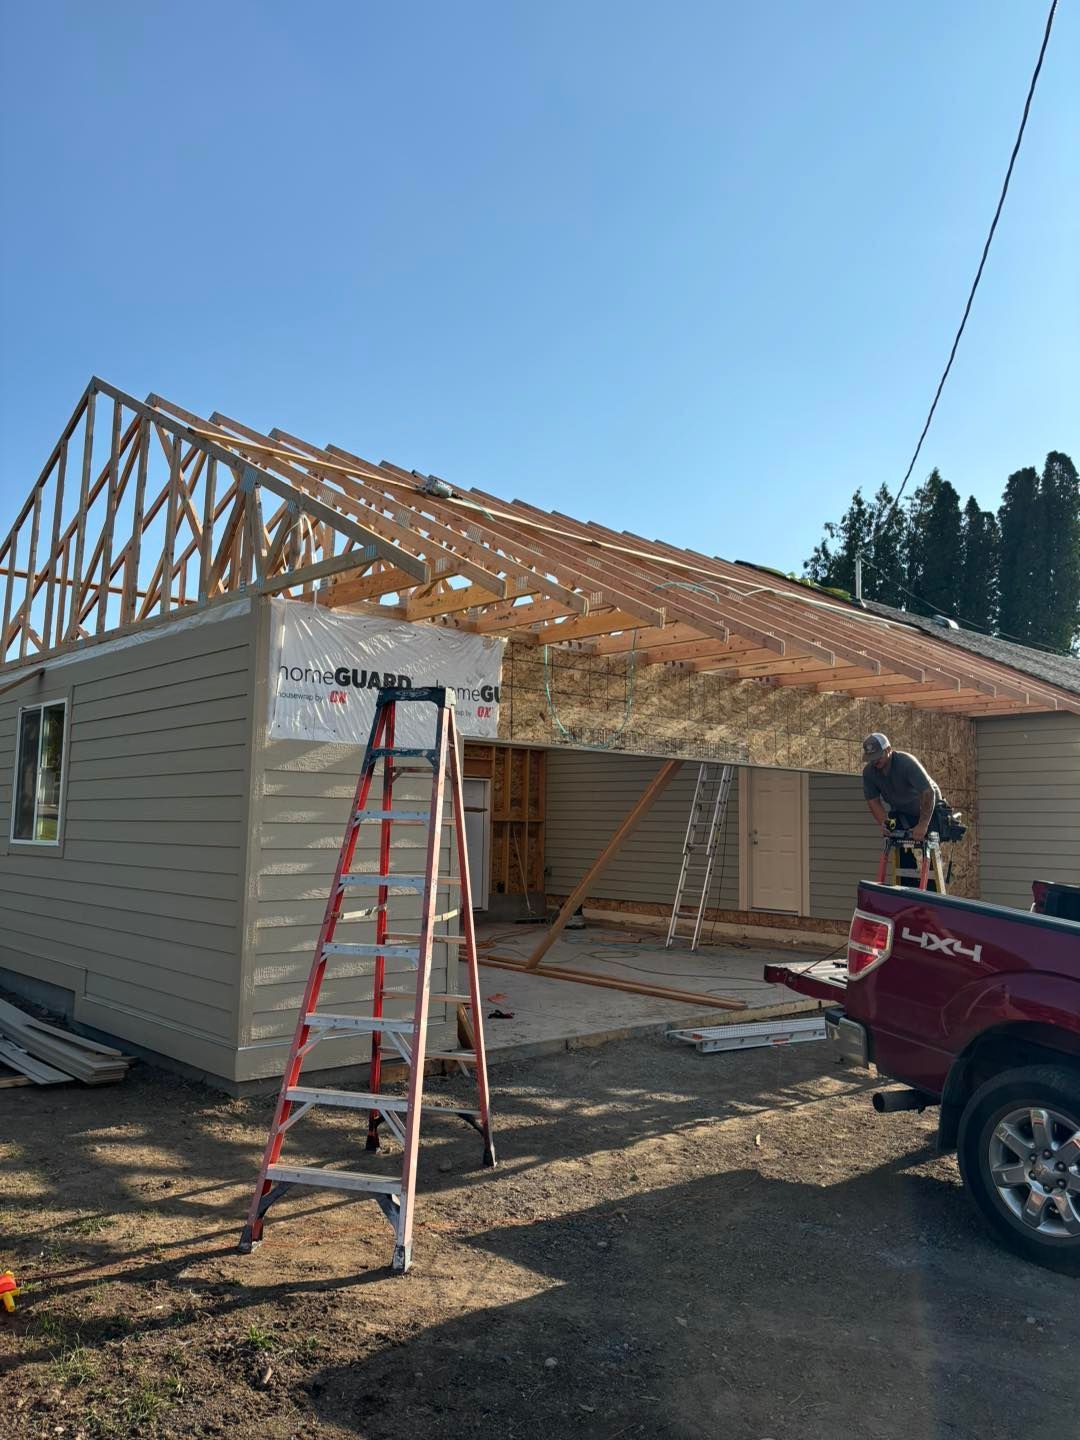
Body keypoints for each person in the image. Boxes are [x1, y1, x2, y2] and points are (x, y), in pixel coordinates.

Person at [861, 732, 941, 841]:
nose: (874, 761)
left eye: (878, 756)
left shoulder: (906, 763)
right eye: (871, 758)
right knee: (897, 840)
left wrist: (923, 824)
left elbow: (928, 792)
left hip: (929, 810)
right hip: (903, 812)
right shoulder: (869, 772)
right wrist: (884, 823)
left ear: (888, 749)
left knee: (929, 844)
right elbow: (873, 801)